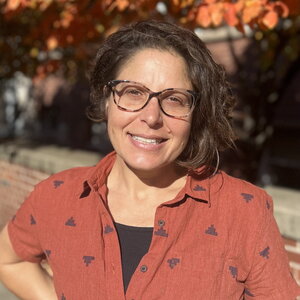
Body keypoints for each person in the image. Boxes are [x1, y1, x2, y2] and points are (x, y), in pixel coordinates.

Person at [0, 20, 299, 300]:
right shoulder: (57, 195)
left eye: (174, 99)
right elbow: (9, 260)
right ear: (106, 101)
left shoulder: (243, 211)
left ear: (196, 115)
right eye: (133, 92)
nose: (151, 117)